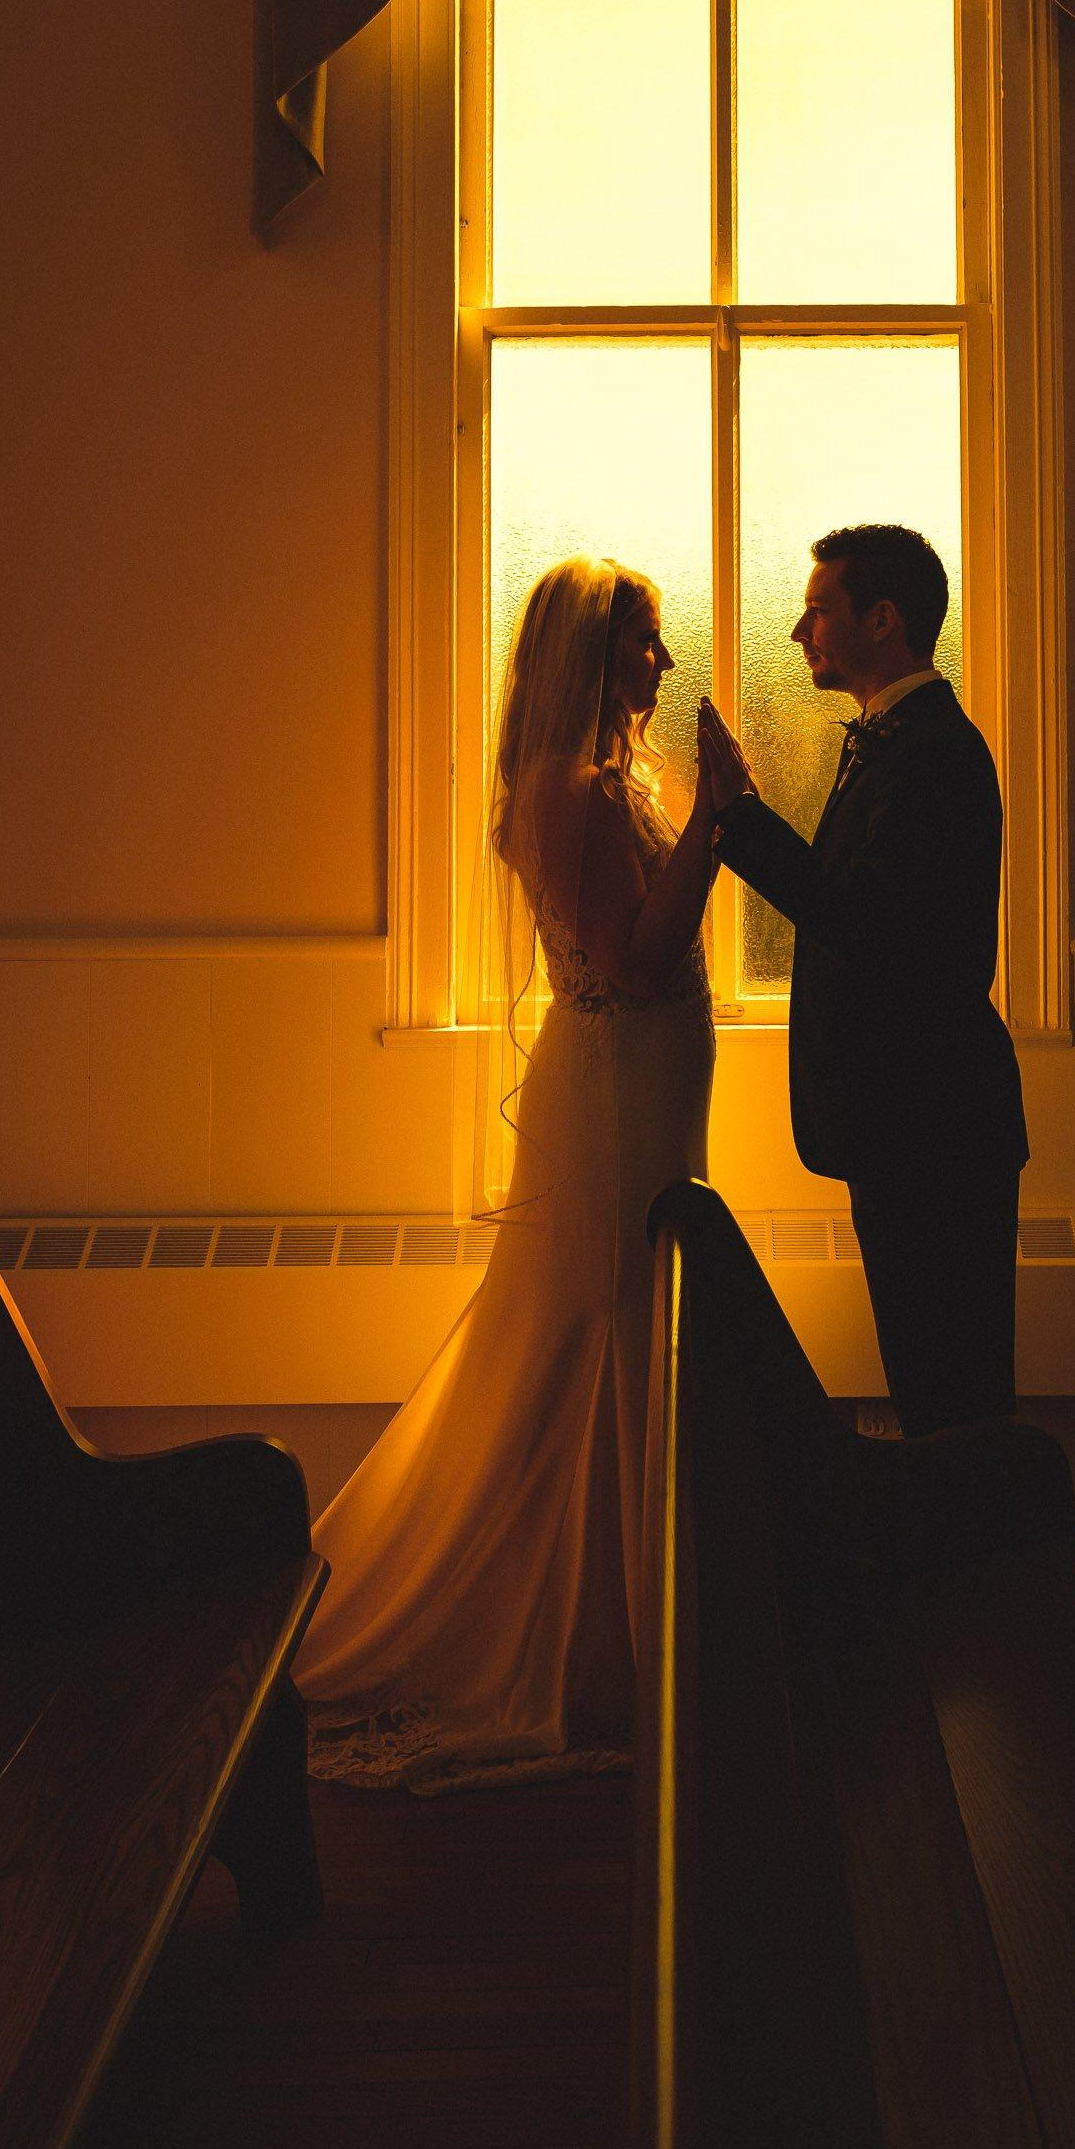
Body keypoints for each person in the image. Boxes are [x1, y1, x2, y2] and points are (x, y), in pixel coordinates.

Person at [298, 557, 717, 1787]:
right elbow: (636, 962)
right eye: (644, 642)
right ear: (588, 654)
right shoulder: (563, 791)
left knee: (632, 1333)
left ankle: (642, 1617)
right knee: (597, 1335)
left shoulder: (607, 779)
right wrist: (711, 825)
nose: (664, 662)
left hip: (647, 1092)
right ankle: (593, 1646)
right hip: (610, 1100)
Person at [698, 524, 1027, 1438]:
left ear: (883, 619)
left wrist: (741, 818)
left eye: (818, 610)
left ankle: (974, 1566)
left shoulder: (934, 754)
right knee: (932, 1379)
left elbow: (866, 919)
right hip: (914, 1120)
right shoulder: (901, 741)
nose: (801, 632)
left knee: (951, 1391)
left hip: (933, 1121)